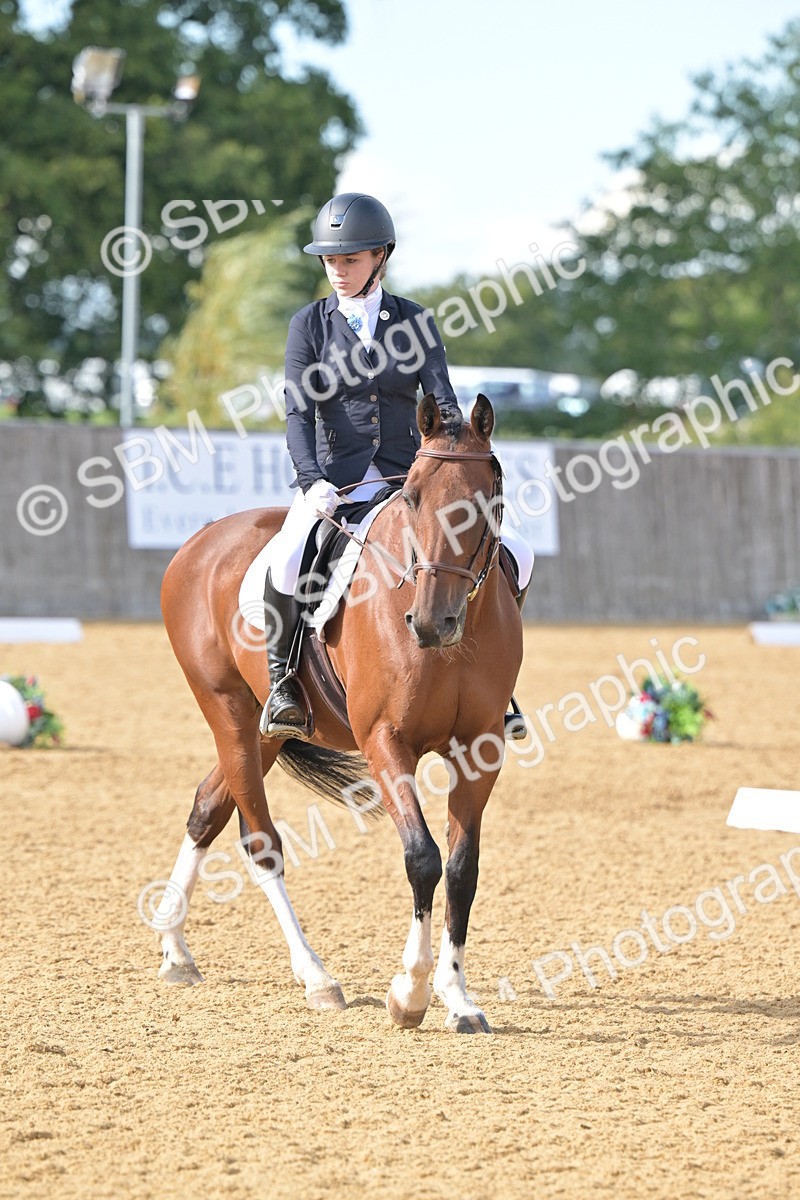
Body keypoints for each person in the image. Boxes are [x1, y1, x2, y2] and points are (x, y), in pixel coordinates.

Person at [260, 192, 533, 738]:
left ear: (381, 256)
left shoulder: (414, 321)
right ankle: (283, 682)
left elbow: (443, 399)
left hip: (409, 480)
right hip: (335, 479)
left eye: (350, 259)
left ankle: (497, 685)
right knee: (288, 557)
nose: (338, 270)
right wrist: (312, 481)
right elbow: (297, 412)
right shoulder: (309, 325)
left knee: (516, 555)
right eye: (331, 260)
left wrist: (456, 451)